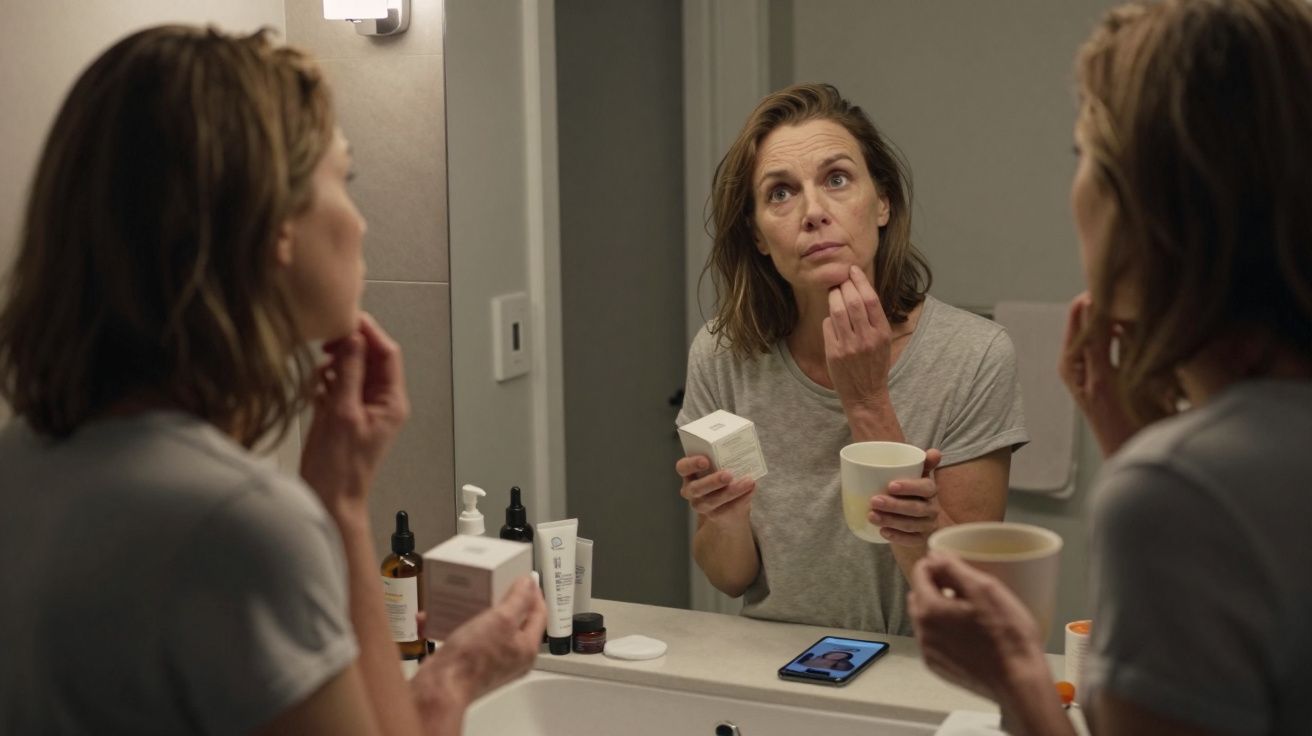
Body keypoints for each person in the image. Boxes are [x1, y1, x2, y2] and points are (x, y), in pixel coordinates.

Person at [0, 25, 546, 735]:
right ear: (275, 224)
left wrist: (342, 500)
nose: (359, 220)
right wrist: (453, 682)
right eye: (344, 180)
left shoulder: (22, 463)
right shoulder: (235, 529)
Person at [908, 1, 1312, 733]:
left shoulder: (1176, 495)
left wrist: (1015, 676)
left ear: (1153, 205)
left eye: (1084, 152)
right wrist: (1135, 440)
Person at [675, 82, 1029, 634]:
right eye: (780, 193)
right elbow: (729, 577)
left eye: (836, 179)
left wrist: (867, 401)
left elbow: (964, 592)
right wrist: (726, 519)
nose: (813, 212)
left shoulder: (975, 356)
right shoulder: (722, 356)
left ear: (882, 202)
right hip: (775, 665)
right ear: (760, 236)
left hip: (925, 666)